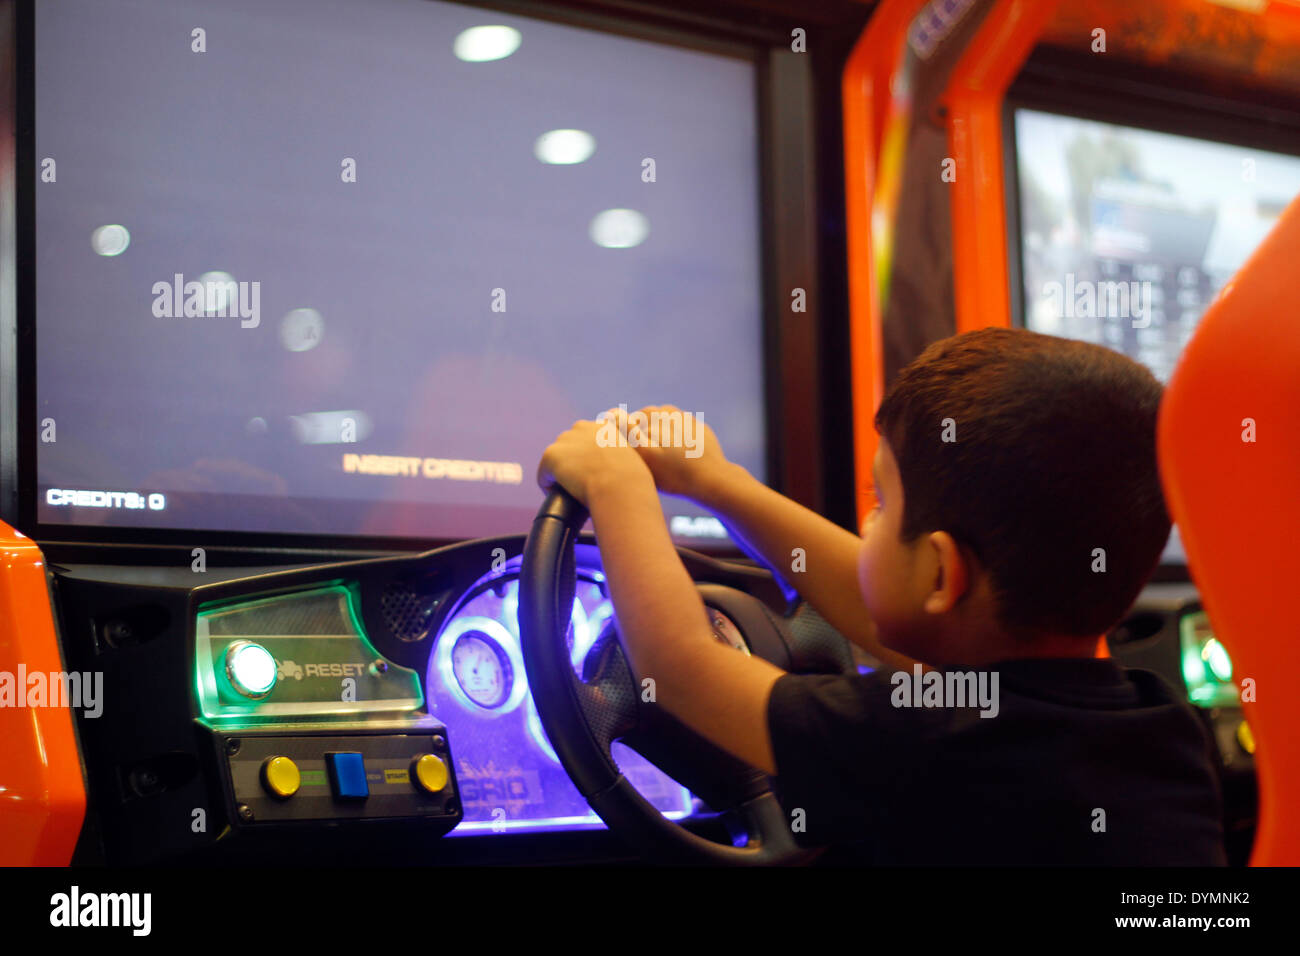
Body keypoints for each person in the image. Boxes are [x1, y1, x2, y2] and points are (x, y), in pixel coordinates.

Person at [536, 327, 1227, 864]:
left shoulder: (927, 736)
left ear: (938, 573)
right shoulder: (1158, 725)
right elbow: (891, 614)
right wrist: (723, 486)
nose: (865, 528)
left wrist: (616, 486)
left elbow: (680, 667)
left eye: (878, 504)